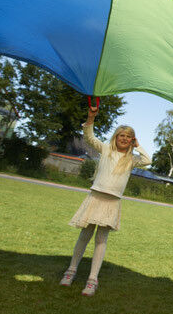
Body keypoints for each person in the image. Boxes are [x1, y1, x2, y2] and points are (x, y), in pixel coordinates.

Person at [59, 105, 150, 296]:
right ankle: (71, 271)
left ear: (131, 140)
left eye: (128, 137)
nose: (124, 139)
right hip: (96, 196)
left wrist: (138, 145)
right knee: (85, 235)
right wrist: (90, 118)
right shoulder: (106, 149)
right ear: (116, 137)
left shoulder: (132, 159)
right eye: (121, 136)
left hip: (112, 202)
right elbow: (89, 138)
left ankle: (92, 280)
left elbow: (147, 160)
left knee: (101, 240)